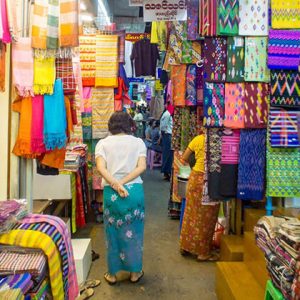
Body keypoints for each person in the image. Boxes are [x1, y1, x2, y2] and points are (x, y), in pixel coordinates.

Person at [95, 112, 147, 285]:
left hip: (112, 192)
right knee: (135, 232)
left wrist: (116, 184)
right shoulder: (138, 143)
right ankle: (134, 273)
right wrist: (122, 183)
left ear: (111, 125)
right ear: (129, 124)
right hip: (134, 192)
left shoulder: (102, 144)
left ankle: (112, 274)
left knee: (112, 233)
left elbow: (101, 168)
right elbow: (142, 167)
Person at [179, 134, 220, 261]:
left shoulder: (198, 139)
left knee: (191, 213)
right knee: (207, 215)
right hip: (210, 180)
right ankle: (203, 252)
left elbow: (184, 158)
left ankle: (185, 246)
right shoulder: (218, 141)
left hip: (195, 178)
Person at [160, 106, 173, 180]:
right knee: (168, 154)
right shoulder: (167, 114)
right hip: (167, 135)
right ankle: (166, 171)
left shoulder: (167, 114)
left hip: (166, 135)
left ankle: (166, 172)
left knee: (167, 154)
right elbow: (163, 126)